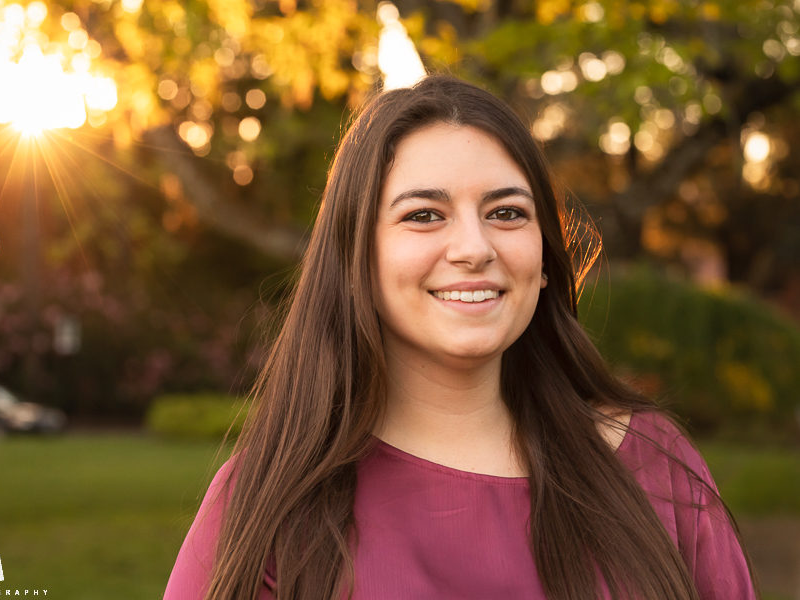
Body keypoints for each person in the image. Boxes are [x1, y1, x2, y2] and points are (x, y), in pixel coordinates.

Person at [163, 75, 757, 599]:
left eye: (506, 213)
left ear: (545, 259)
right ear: (356, 258)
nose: (475, 248)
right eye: (424, 215)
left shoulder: (654, 467)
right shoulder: (267, 503)